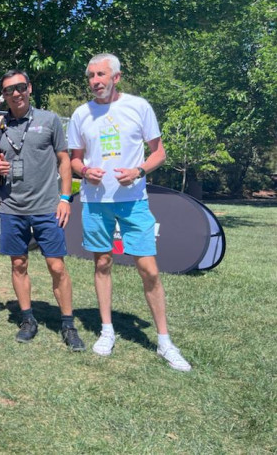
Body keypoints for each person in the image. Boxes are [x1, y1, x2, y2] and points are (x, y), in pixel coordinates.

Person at [67, 53, 191, 371]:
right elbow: (74, 159)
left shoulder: (139, 107)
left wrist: (138, 171)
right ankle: (107, 330)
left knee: (149, 270)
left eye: (101, 74)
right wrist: (85, 171)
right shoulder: (81, 114)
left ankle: (164, 341)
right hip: (96, 202)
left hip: (133, 201)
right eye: (91, 76)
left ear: (116, 77)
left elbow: (159, 153)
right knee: (102, 263)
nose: (95, 81)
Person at [0, 70, 85, 351]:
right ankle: (28, 319)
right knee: (18, 265)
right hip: (12, 207)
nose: (15, 94)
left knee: (57, 266)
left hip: (47, 207)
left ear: (29, 88)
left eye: (20, 87)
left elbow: (64, 160)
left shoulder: (49, 119)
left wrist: (65, 198)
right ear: (4, 96)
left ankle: (68, 324)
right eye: (9, 90)